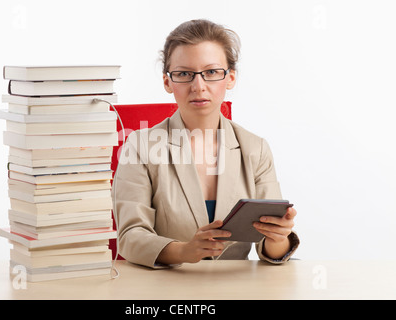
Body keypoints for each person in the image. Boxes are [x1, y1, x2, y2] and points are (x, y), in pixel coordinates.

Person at [113, 19, 299, 268]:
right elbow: (129, 237)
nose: (198, 86)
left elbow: (271, 247)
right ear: (168, 82)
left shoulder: (255, 148)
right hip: (166, 289)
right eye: (184, 74)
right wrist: (184, 251)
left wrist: (279, 236)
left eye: (211, 72)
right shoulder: (140, 147)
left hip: (235, 289)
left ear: (230, 78)